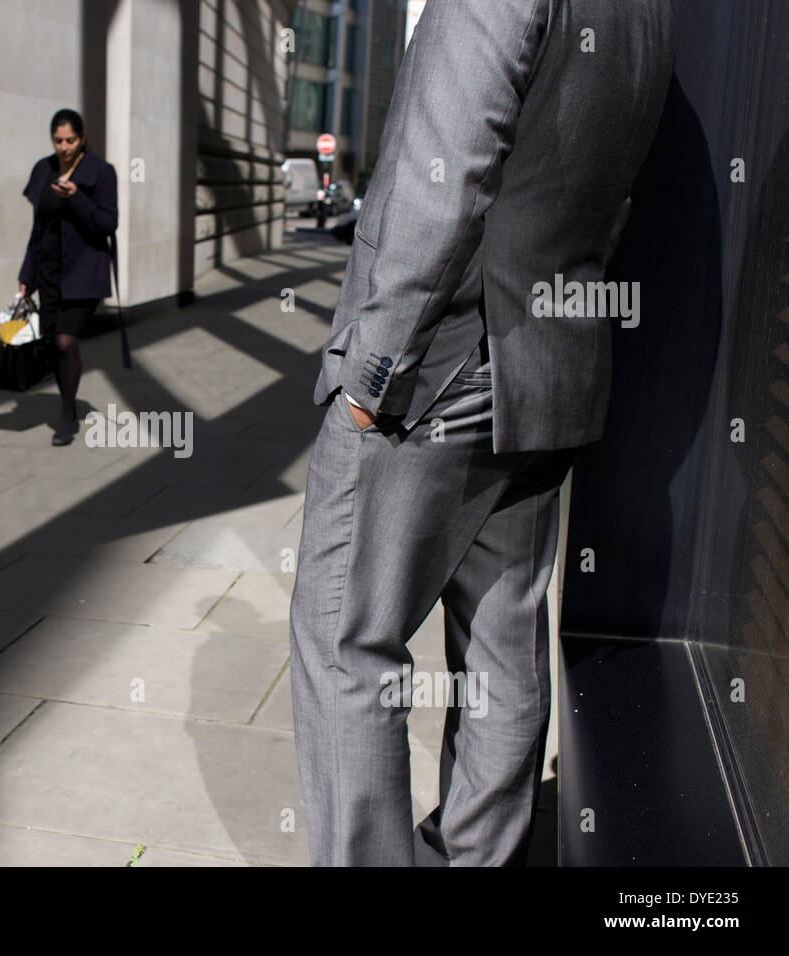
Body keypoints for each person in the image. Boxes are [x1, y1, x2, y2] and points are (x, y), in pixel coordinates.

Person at [289, 0, 675, 866]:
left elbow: (442, 175)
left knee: (345, 641)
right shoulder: (649, 13)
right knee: (502, 635)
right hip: (550, 361)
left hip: (442, 357)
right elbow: (608, 191)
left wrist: (373, 370)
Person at [18, 109, 119, 445]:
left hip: (83, 270)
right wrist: (26, 273)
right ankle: (68, 402)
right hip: (48, 269)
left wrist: (76, 197)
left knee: (66, 340)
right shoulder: (43, 169)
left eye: (70, 140)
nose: (64, 147)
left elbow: (107, 224)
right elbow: (38, 228)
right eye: (58, 140)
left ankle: (66, 415)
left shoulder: (101, 173)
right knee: (52, 345)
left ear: (83, 139)